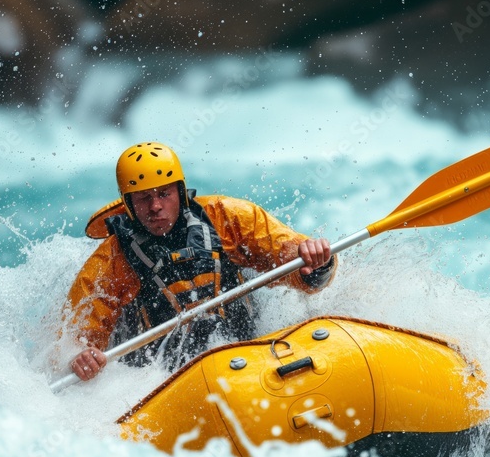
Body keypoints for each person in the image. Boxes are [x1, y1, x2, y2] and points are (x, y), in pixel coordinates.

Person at [64, 142, 336, 381]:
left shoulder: (228, 217)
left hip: (247, 353)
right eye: (144, 198)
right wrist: (81, 358)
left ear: (180, 192)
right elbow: (75, 340)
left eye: (164, 194)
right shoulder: (109, 261)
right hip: (161, 377)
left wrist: (316, 263)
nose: (155, 206)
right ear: (128, 204)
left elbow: (292, 257)